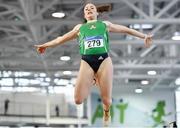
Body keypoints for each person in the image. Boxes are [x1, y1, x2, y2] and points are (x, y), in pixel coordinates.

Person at [35, 3, 152, 126]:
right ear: (85, 15)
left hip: (104, 60)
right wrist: (45, 45)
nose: (89, 9)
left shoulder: (105, 25)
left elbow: (126, 30)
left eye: (92, 8)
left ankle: (106, 112)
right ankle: (92, 77)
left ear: (97, 13)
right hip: (87, 61)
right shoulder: (79, 28)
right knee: (78, 100)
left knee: (106, 100)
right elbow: (61, 38)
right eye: (86, 9)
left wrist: (143, 36)